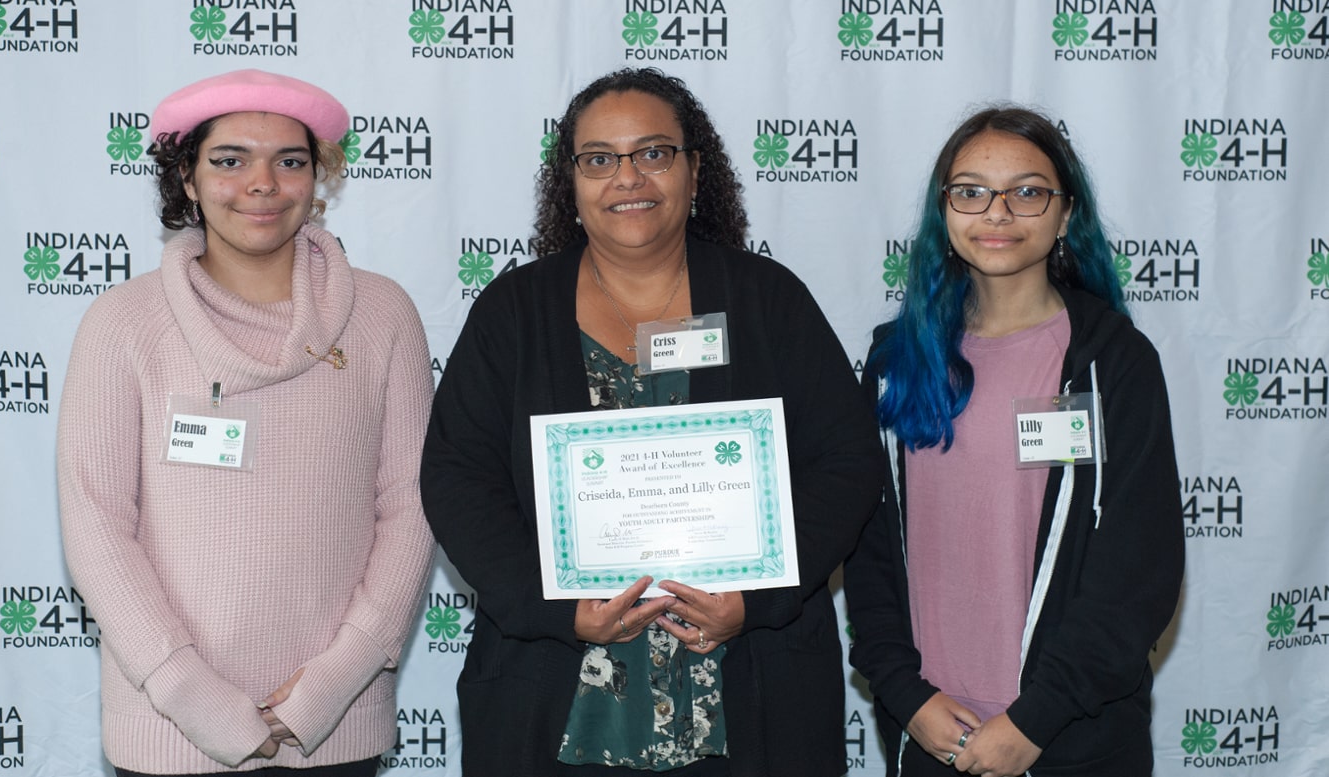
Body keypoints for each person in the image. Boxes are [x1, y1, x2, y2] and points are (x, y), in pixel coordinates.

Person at [420, 67, 884, 776]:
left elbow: (847, 463)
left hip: (750, 697)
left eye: (654, 152)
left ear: (695, 171)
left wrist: (754, 599)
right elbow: (458, 479)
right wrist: (557, 605)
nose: (627, 177)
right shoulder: (513, 313)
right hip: (557, 700)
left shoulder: (767, 300)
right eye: (600, 159)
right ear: (570, 182)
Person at [57, 69, 435, 777]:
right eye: (229, 160)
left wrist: (329, 685)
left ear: (317, 178)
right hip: (170, 731)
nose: (261, 183)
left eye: (289, 161)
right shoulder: (122, 324)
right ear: (188, 179)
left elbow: (411, 507)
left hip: (335, 725)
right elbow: (96, 526)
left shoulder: (384, 316)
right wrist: (194, 696)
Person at [844, 107, 1184, 777]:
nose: (997, 212)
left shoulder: (1112, 362)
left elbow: (1138, 570)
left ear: (1065, 215)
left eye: (1027, 192)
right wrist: (910, 698)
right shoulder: (896, 362)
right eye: (970, 191)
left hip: (1068, 735)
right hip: (933, 730)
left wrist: (1035, 718)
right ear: (943, 212)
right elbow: (869, 549)